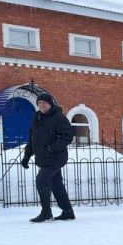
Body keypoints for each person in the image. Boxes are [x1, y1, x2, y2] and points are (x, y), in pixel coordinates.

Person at [21, 92, 75, 223]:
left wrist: (52, 148)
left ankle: (46, 212)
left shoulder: (58, 117)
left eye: (44, 103)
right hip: (43, 158)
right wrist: (26, 156)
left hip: (56, 157)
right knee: (56, 184)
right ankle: (67, 212)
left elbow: (68, 136)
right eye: (39, 103)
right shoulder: (37, 117)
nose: (41, 105)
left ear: (50, 104)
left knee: (41, 180)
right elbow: (32, 139)